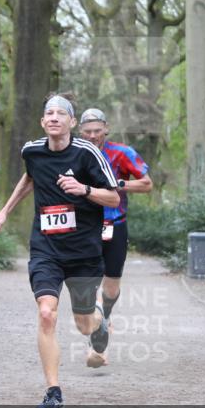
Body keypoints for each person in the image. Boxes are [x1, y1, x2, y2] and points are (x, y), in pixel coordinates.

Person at [0, 93, 120, 408]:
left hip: (84, 253)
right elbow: (30, 178)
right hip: (46, 247)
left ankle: (99, 324)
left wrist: (84, 190)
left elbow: (114, 198)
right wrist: (5, 211)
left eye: (62, 113)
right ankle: (53, 393)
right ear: (43, 121)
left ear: (72, 122)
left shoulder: (87, 153)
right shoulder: (31, 151)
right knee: (46, 314)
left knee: (84, 323)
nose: (55, 117)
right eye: (49, 112)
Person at [78, 108, 153, 366]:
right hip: (84, 227)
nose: (93, 136)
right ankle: (97, 340)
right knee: (87, 283)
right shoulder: (73, 153)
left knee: (110, 288)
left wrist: (118, 184)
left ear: (106, 129)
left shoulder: (122, 153)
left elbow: (147, 183)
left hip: (115, 223)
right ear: (80, 132)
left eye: (97, 131)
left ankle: (104, 317)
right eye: (87, 132)